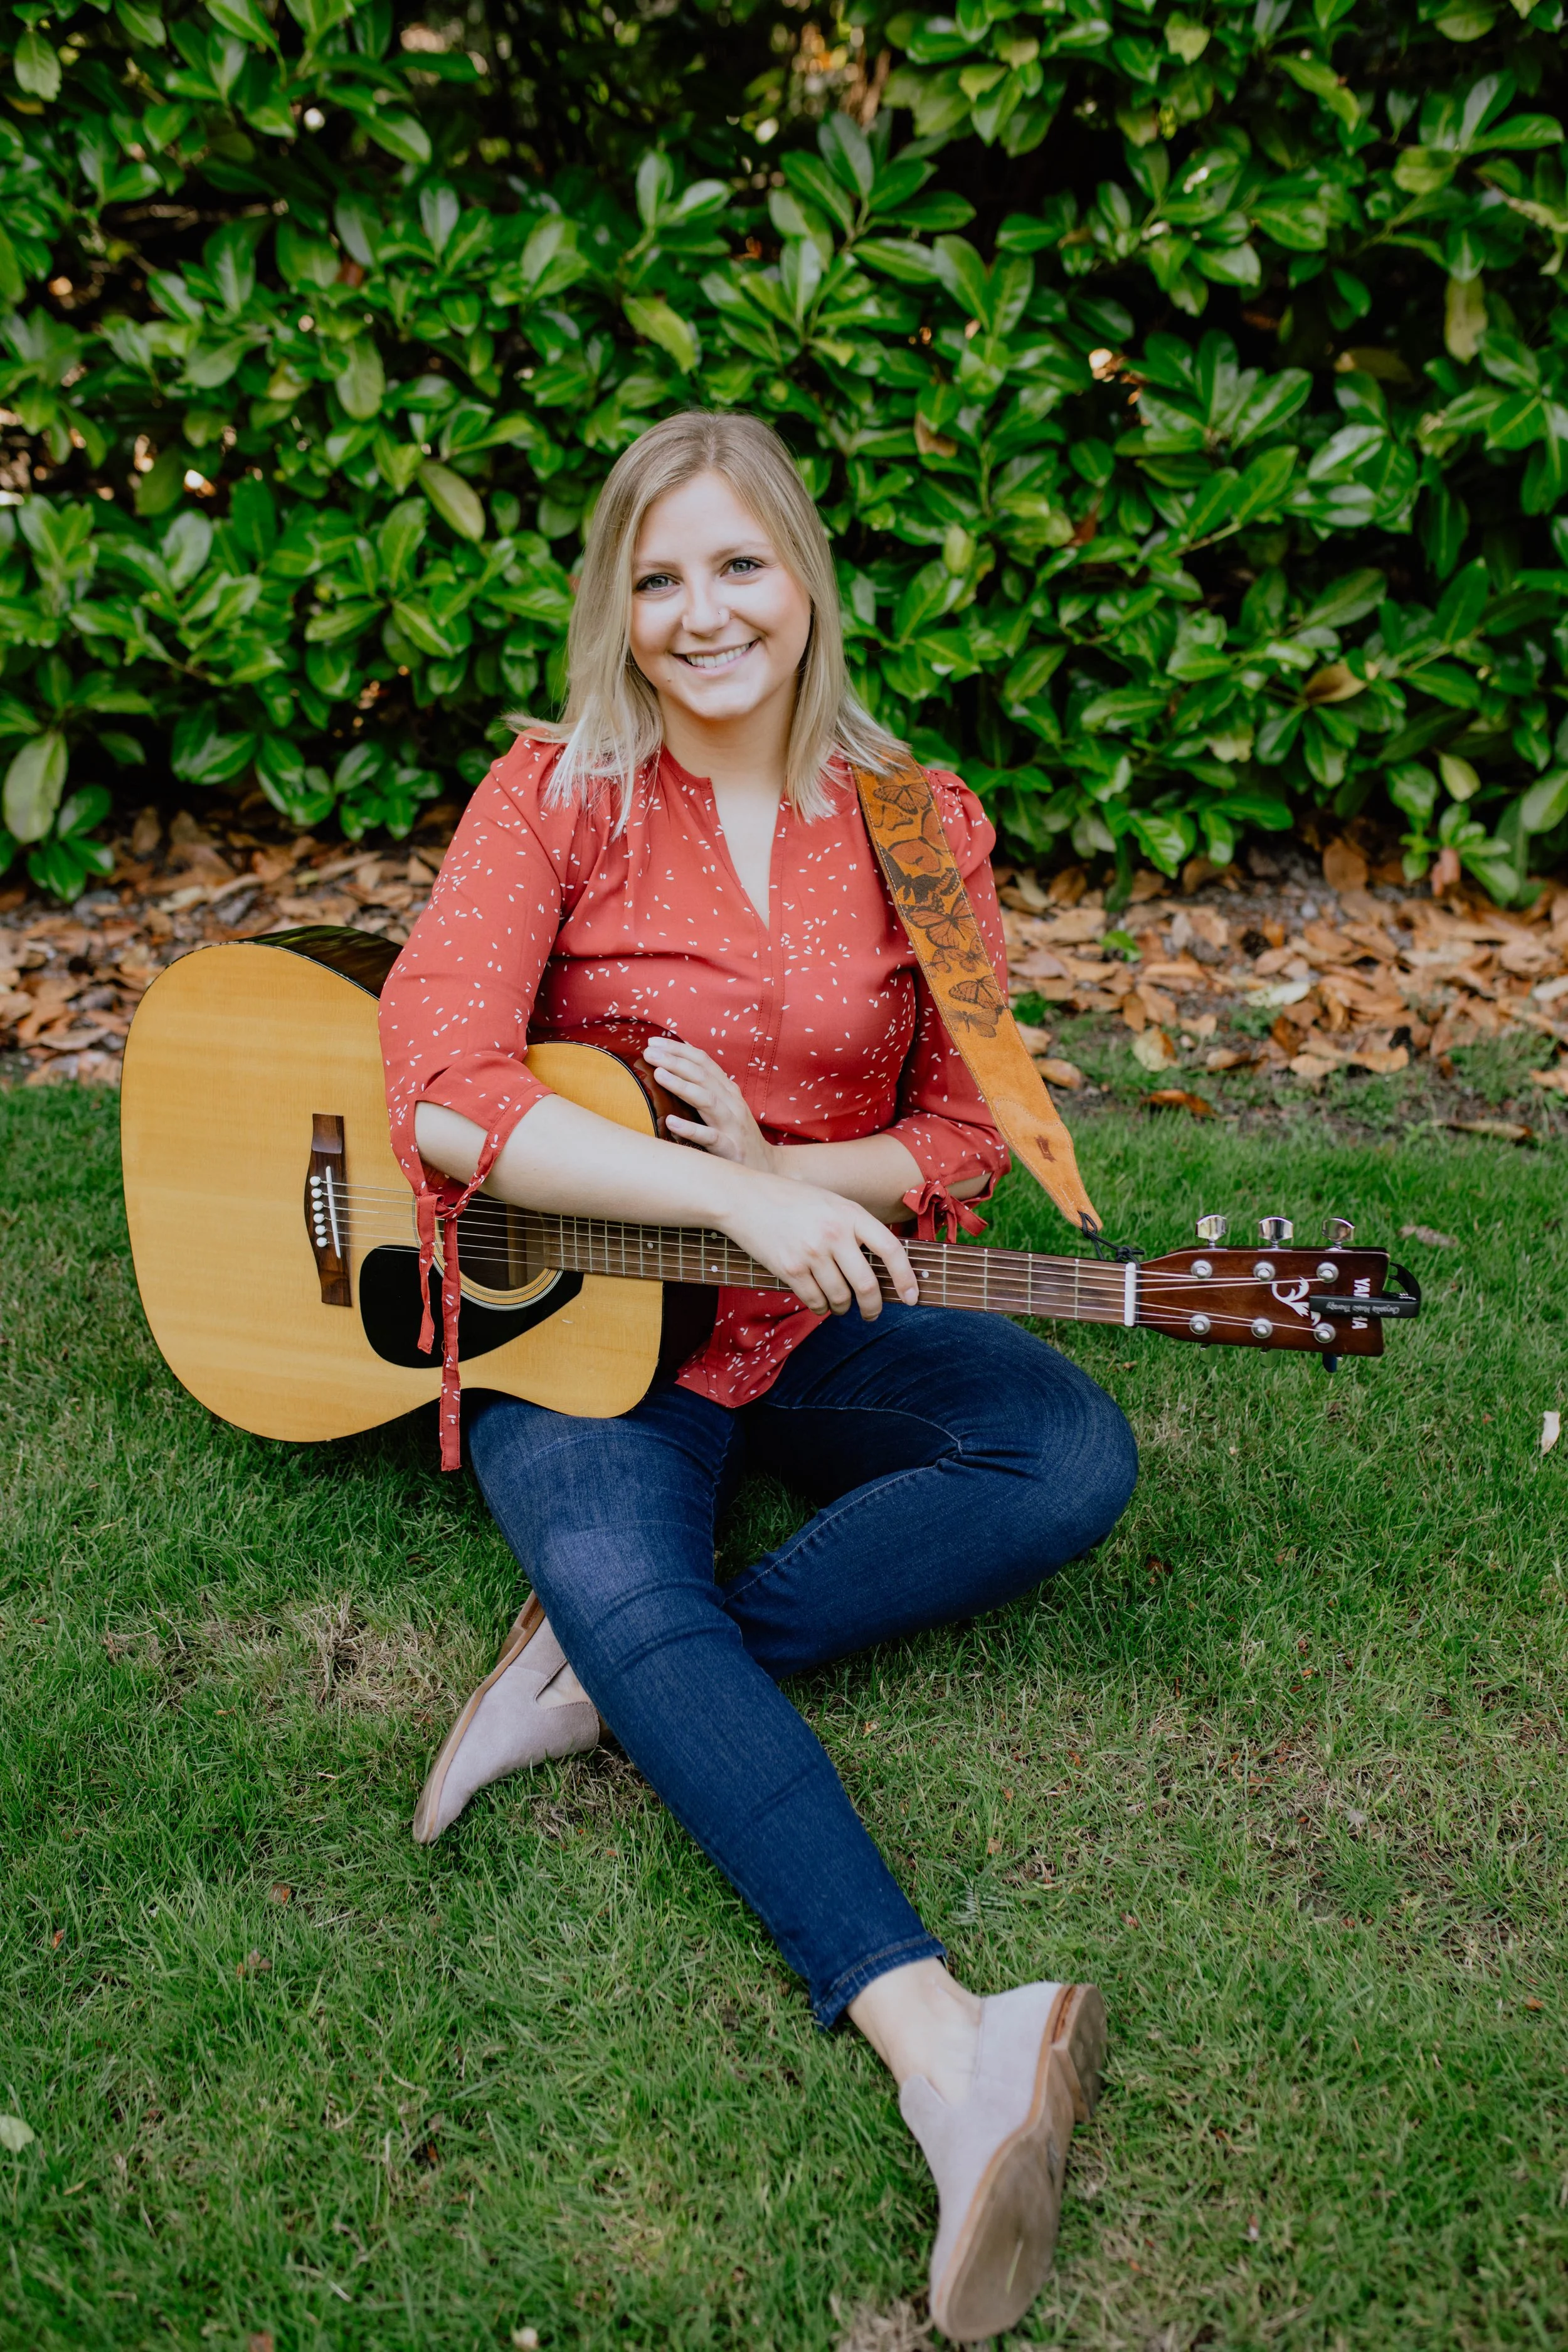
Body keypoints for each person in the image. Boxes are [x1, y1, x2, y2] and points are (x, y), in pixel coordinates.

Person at [378, 410, 1137, 2341]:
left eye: (737, 565)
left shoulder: (913, 817)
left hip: (804, 1302)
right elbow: (444, 1084)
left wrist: (790, 1182)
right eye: (656, 576)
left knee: (1060, 1451)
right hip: (582, 1324)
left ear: (802, 580)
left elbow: (964, 1127)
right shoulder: (553, 793)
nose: (700, 612)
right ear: (614, 608)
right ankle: (941, 2039)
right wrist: (698, 1179)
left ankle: (616, 1667)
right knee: (630, 1574)